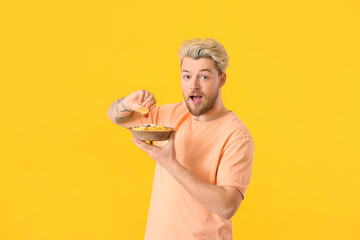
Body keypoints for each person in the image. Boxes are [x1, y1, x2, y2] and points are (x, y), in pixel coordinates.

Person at [107, 38, 254, 240]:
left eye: (204, 77)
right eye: (186, 76)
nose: (193, 85)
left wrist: (170, 164)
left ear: (221, 80)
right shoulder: (172, 114)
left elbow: (227, 206)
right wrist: (126, 103)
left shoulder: (236, 135)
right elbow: (116, 117)